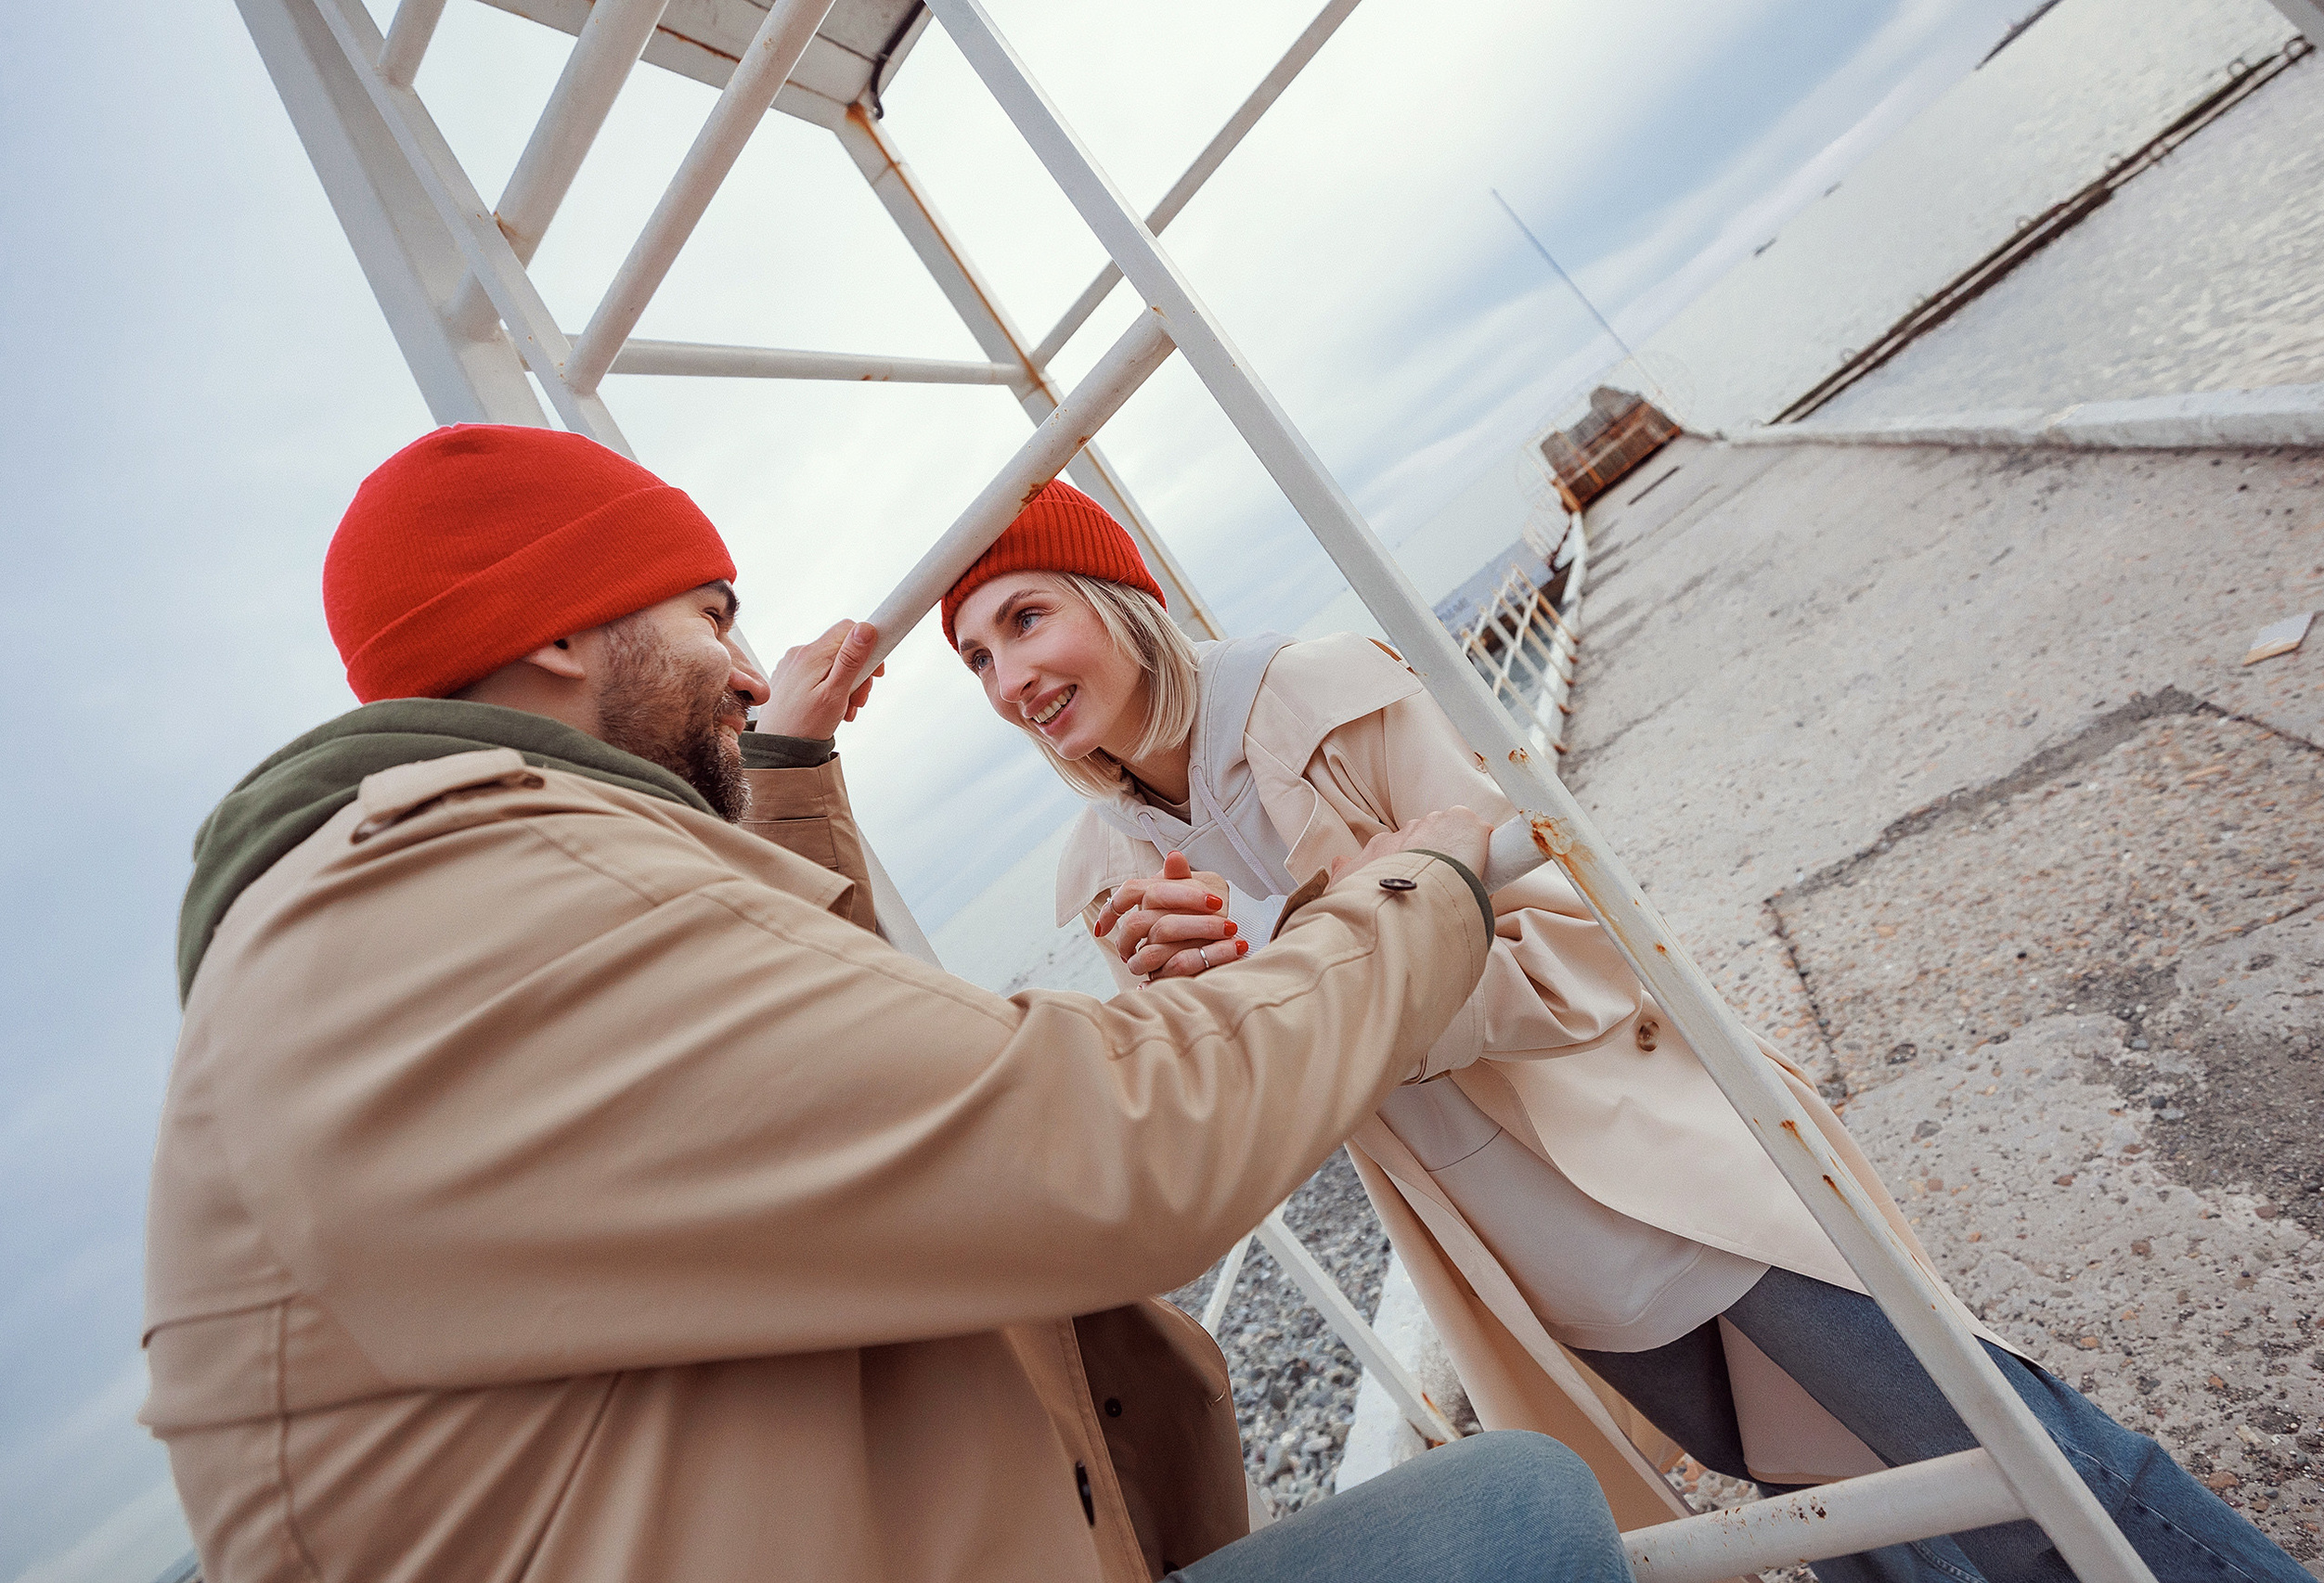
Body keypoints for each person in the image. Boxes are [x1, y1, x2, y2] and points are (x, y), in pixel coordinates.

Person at [142, 423, 1641, 1583]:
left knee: (1507, 1502)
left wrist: (789, 777)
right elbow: (1114, 1142)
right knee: (1516, 1515)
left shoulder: (440, 917)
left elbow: (811, 1064)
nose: (747, 671)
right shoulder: (493, 911)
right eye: (713, 614)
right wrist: (1421, 887)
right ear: (557, 626)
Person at [942, 478, 2311, 1583]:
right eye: (978, 659)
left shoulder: (1316, 693)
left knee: (2013, 1457)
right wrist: (1206, 1027)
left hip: (1654, 1157)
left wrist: (1338, 968)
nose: (1011, 679)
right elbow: (1257, 1114)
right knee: (1837, 1507)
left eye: (1026, 617)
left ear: (1115, 599)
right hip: (1520, 1246)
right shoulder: (1107, 872)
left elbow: (1579, 920)